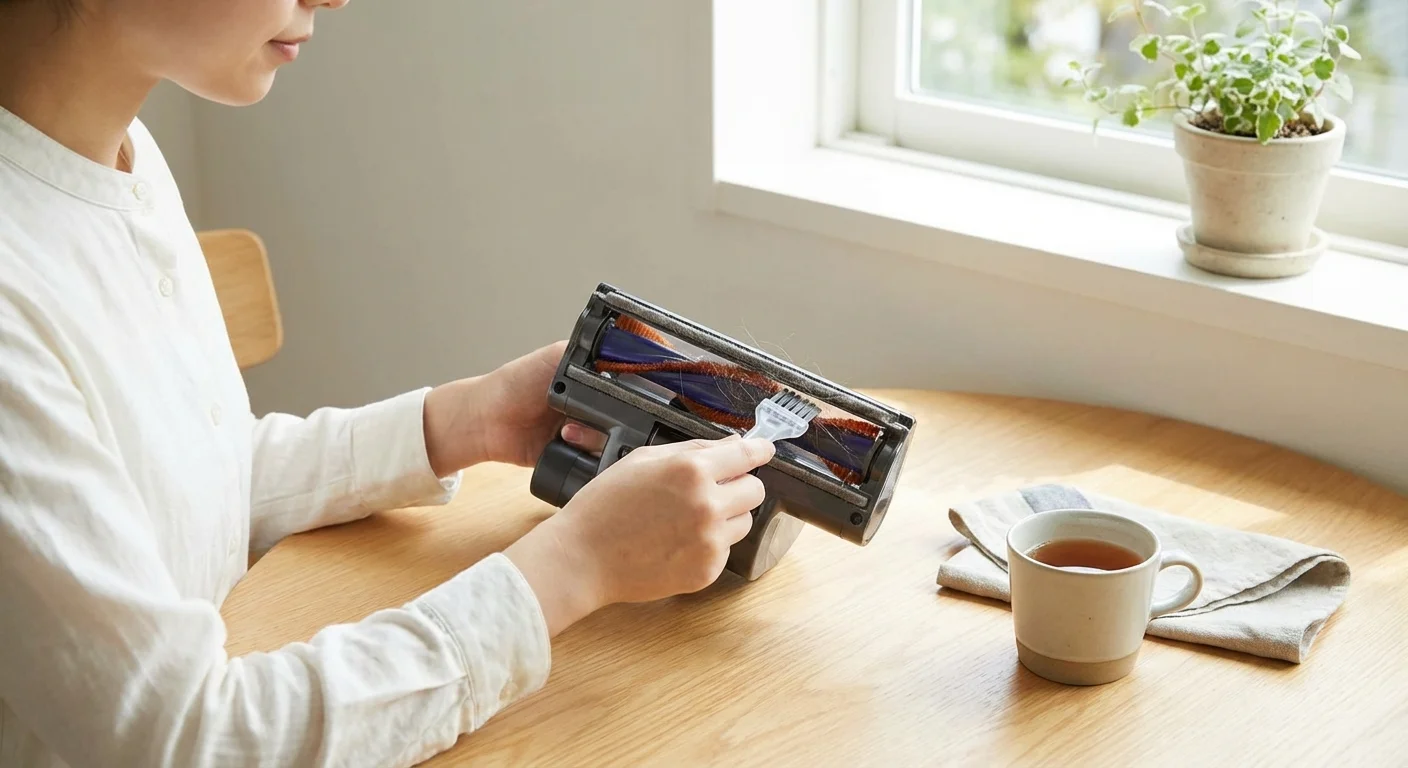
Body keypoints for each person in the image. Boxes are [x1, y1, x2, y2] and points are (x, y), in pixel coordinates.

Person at [0, 0, 778, 765]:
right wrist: (573, 567)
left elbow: (179, 485)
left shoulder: (116, 151)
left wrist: (462, 422)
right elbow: (188, 740)